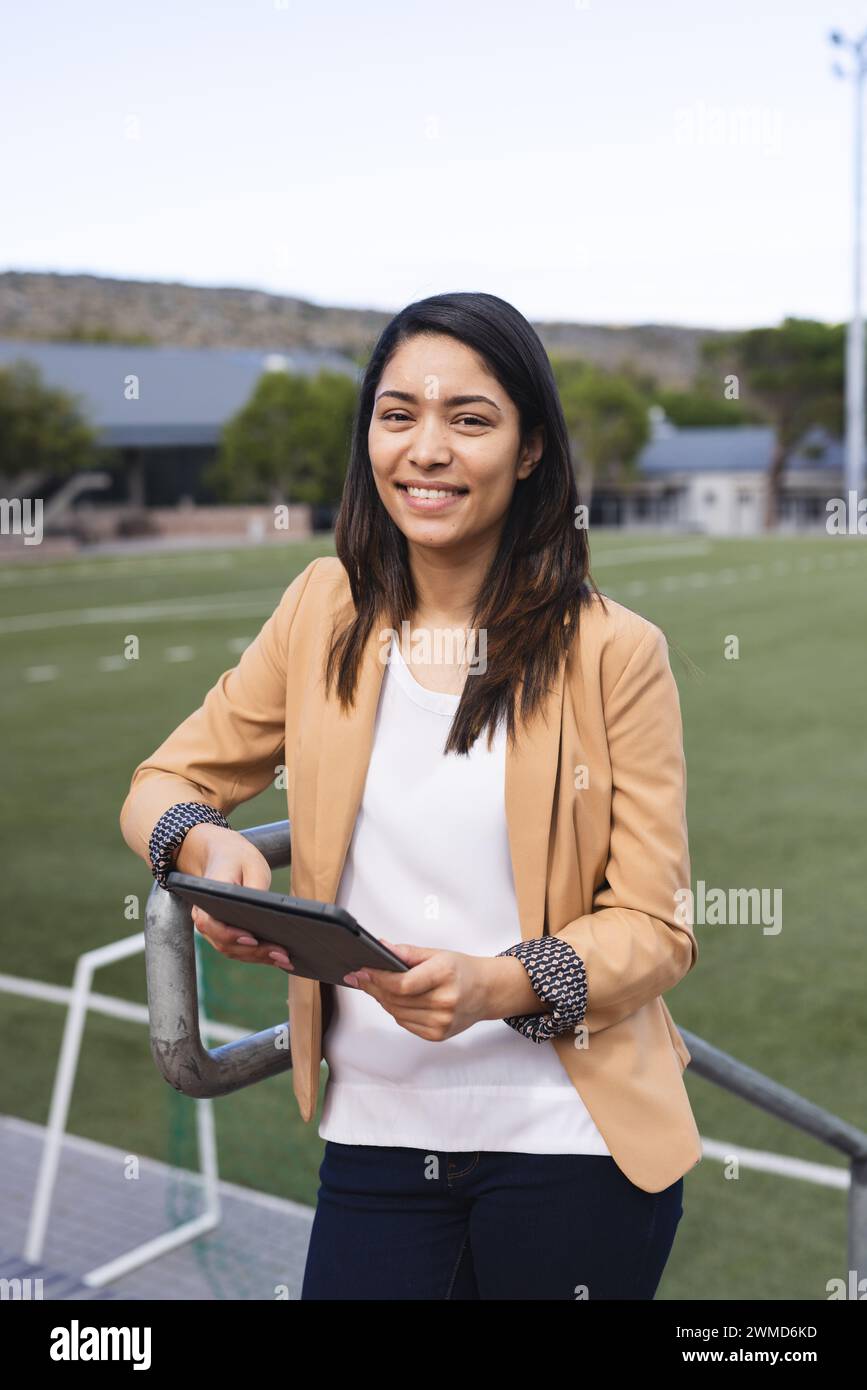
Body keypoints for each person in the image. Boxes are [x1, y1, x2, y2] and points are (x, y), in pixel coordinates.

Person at [120, 290, 701, 1301]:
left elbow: (657, 927)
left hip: (571, 1150)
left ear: (528, 452)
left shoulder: (616, 650)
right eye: (399, 415)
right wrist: (203, 847)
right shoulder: (319, 607)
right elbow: (162, 782)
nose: (425, 449)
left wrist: (501, 984)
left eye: (469, 419)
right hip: (377, 1146)